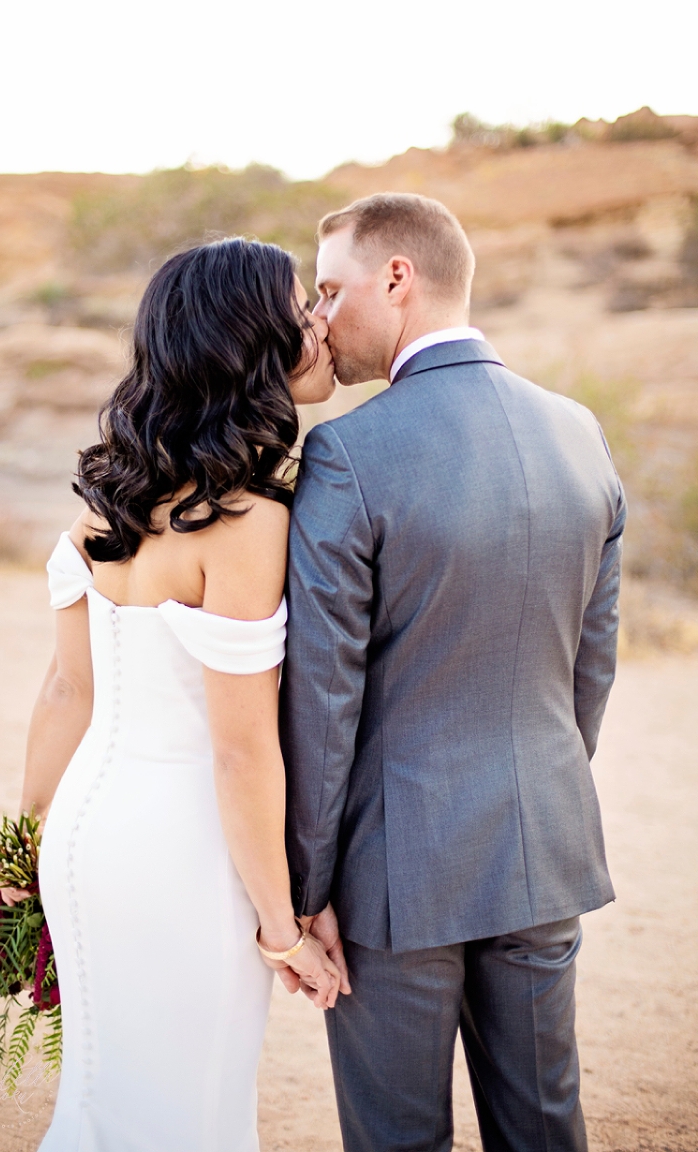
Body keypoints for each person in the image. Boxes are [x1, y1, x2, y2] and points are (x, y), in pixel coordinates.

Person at [281, 192, 626, 1152]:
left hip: (397, 876)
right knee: (547, 1129)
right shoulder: (580, 433)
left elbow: (325, 695)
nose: (320, 317)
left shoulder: (348, 453)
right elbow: (588, 671)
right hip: (540, 846)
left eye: (332, 288)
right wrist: (536, 788)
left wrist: (308, 889)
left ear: (399, 278)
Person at [20, 238, 347, 1152]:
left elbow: (63, 692)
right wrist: (283, 932)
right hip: (184, 859)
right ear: (252, 341)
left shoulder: (101, 507)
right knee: (189, 1116)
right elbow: (242, 749)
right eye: (300, 308)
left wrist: (26, 847)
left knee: (100, 1100)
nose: (319, 324)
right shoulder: (248, 521)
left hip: (85, 837)